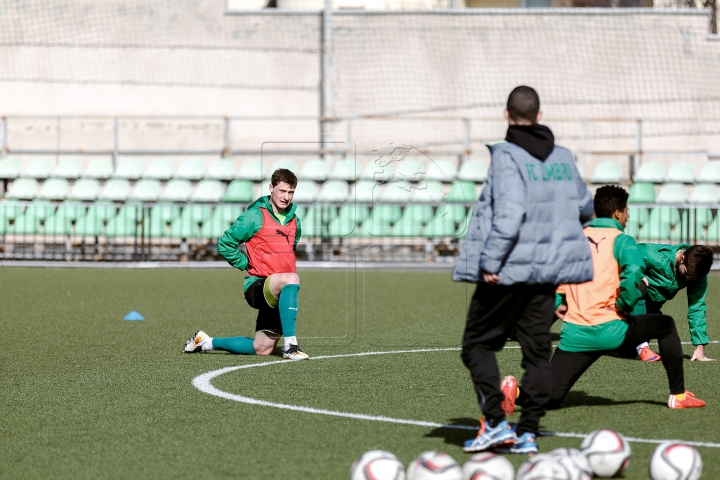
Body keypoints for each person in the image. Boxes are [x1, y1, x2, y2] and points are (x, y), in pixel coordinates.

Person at [452, 86, 594, 455]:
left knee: (476, 346)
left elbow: (511, 212)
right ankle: (528, 432)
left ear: (506, 114)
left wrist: (491, 261)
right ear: (540, 115)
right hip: (548, 273)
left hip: (509, 270)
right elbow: (584, 207)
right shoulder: (564, 156)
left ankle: (497, 424)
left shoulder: (506, 155)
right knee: (536, 356)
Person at [502, 185, 706, 420]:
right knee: (667, 325)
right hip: (612, 329)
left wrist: (556, 301)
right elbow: (634, 275)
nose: (628, 216)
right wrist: (626, 308)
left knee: (552, 398)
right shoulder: (623, 241)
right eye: (627, 211)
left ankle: (514, 392)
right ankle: (678, 396)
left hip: (576, 333)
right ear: (618, 213)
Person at [182, 168, 308, 361]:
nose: (286, 197)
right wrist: (247, 265)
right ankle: (291, 347)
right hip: (257, 286)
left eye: (290, 192)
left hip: (281, 292)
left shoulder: (295, 221)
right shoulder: (254, 216)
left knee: (261, 348)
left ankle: (205, 342)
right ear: (271, 188)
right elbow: (225, 244)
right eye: (282, 191)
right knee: (291, 277)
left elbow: (290, 249)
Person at [631, 243, 715, 362]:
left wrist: (700, 346)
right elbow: (623, 255)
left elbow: (697, 307)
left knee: (629, 351)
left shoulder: (697, 274)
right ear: (682, 257)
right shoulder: (652, 254)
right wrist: (635, 272)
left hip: (648, 308)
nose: (687, 279)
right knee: (637, 283)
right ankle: (641, 345)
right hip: (623, 299)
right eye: (686, 273)